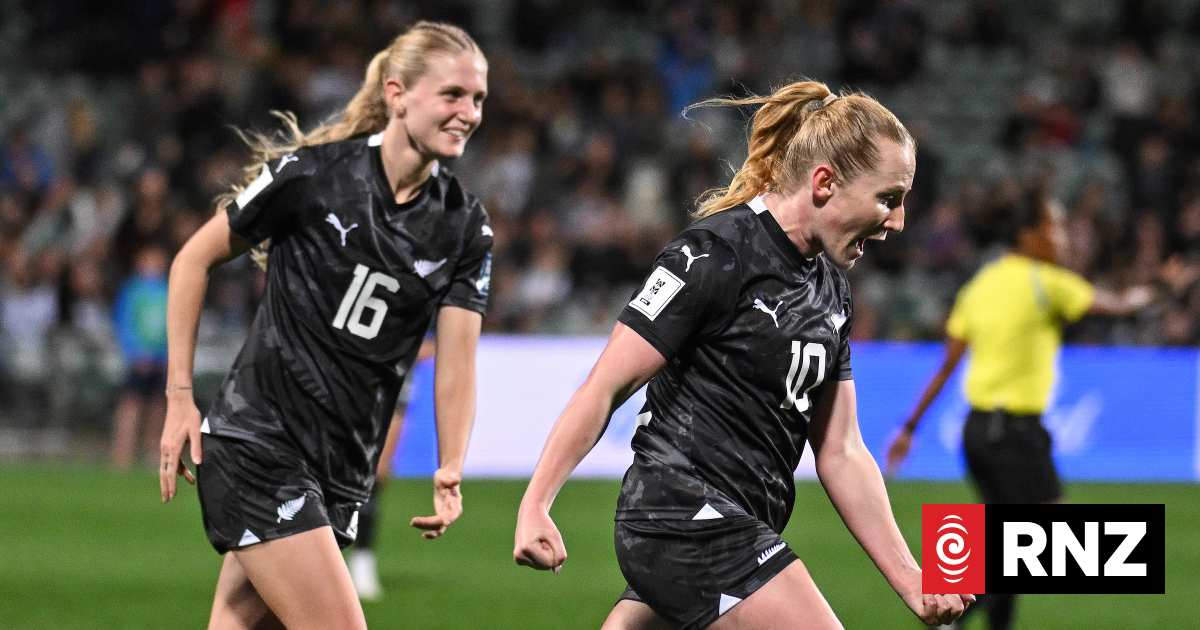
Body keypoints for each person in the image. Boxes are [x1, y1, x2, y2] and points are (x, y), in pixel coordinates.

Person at [514, 80, 973, 630]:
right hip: (678, 514)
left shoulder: (830, 289)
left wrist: (912, 577)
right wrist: (536, 502)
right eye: (888, 198)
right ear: (824, 182)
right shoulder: (713, 254)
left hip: (735, 526)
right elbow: (605, 386)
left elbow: (841, 450)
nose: (896, 222)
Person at [158, 22, 493, 630]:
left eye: (478, 99)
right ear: (397, 94)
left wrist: (451, 463)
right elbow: (191, 260)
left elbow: (457, 362)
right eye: (453, 94)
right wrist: (180, 395)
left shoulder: (465, 226)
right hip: (260, 444)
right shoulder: (311, 175)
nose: (468, 113)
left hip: (340, 471)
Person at [884, 192, 1153, 630]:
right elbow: (1119, 306)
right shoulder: (1046, 282)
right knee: (1056, 543)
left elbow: (947, 366)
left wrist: (909, 427)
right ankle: (950, 612)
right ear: (1028, 236)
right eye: (1055, 227)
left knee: (1005, 542)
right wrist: (1158, 290)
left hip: (976, 433)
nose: (1063, 238)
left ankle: (969, 612)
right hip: (1014, 432)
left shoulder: (980, 285)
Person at [347, 336, 436, 600]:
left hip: (394, 385)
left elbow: (432, 344)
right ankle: (318, 559)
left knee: (376, 475)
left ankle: (362, 561)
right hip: (350, 377)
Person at [111, 243, 170, 469]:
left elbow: (174, 325)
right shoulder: (132, 290)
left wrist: (168, 355)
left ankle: (153, 450)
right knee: (132, 403)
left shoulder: (167, 289)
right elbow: (123, 322)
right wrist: (134, 352)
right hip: (139, 358)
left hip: (161, 358)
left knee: (158, 405)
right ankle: (122, 452)